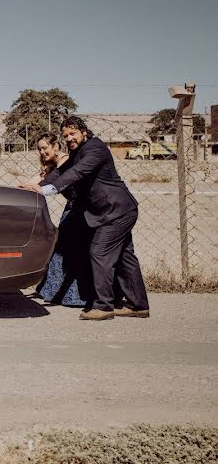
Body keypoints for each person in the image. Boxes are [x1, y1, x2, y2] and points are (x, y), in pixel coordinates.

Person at [28, 116, 149, 321]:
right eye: (65, 135)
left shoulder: (95, 149)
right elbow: (61, 172)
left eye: (72, 133)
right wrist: (35, 188)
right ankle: (138, 305)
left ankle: (103, 306)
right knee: (124, 258)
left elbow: (78, 172)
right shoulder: (78, 152)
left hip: (115, 210)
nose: (69, 138)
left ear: (84, 132)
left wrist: (46, 189)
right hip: (112, 211)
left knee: (99, 251)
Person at [22, 133, 89, 308]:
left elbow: (48, 184)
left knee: (73, 251)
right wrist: (21, 188)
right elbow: (37, 182)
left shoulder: (68, 162)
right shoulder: (53, 166)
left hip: (83, 210)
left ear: (56, 146)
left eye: (45, 148)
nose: (42, 152)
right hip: (71, 209)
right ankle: (52, 291)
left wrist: (35, 186)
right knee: (60, 249)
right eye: (40, 149)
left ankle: (75, 296)